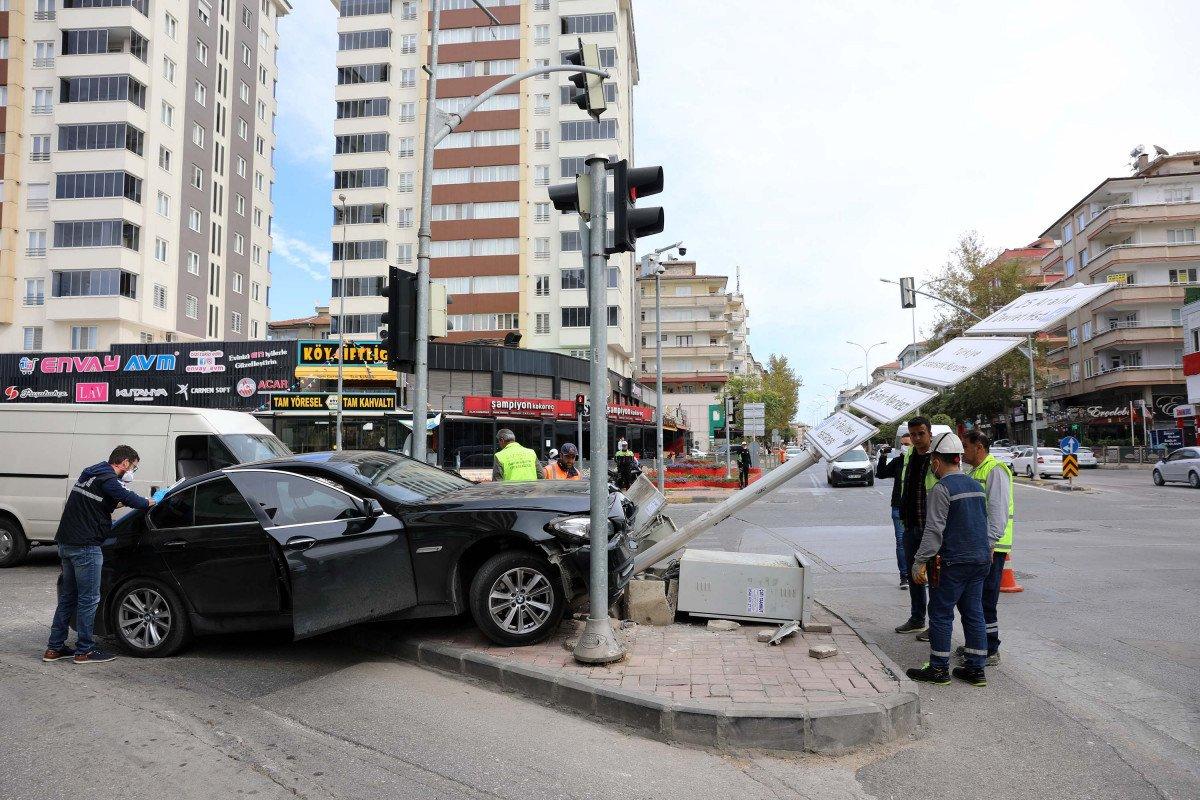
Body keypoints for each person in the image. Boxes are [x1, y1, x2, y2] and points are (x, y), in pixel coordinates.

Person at [43, 445, 155, 665]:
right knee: (88, 599)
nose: (132, 471)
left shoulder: (91, 474)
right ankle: (84, 651)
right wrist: (151, 501)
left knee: (68, 598)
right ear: (124, 463)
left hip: (66, 543)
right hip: (85, 546)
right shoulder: (109, 479)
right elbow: (131, 499)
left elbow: (108, 500)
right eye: (133, 467)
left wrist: (123, 500)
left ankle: (54, 648)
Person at [906, 432, 991, 687]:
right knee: (974, 612)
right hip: (979, 560)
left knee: (941, 613)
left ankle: (939, 668)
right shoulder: (975, 485)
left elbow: (933, 531)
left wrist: (919, 561)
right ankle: (976, 669)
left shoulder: (942, 488)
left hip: (952, 563)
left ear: (936, 461)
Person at [958, 430, 1012, 666]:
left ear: (979, 447)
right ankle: (977, 644)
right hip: (978, 547)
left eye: (965, 446)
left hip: (991, 548)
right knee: (973, 600)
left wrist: (989, 544)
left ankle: (990, 649)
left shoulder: (995, 470)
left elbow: (998, 514)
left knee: (986, 601)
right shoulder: (974, 470)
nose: (962, 451)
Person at [893, 416, 936, 635]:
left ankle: (937, 624)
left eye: (921, 433)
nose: (917, 438)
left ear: (929, 433)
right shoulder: (909, 454)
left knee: (935, 578)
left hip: (932, 527)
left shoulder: (938, 456)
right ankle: (917, 618)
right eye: (913, 434)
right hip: (911, 524)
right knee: (914, 575)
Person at [875, 432, 913, 590]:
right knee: (901, 542)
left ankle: (918, 574)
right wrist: (883, 456)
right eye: (902, 444)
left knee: (919, 542)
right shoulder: (898, 461)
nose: (904, 447)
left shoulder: (923, 461)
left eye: (907, 444)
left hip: (917, 508)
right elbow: (881, 474)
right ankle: (904, 576)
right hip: (898, 507)